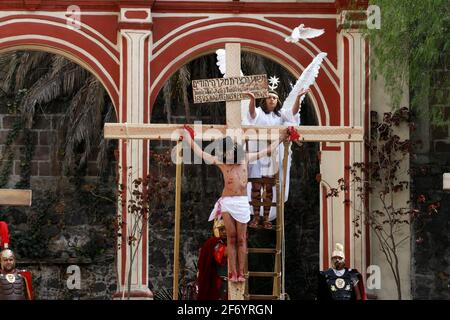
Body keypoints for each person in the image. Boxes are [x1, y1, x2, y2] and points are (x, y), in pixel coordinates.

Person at [181, 126, 289, 282]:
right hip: (227, 202)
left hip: (241, 202)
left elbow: (266, 151)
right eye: (225, 152)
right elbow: (201, 154)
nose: (228, 154)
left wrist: (281, 137)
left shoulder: (245, 159)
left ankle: (241, 272)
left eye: (230, 151)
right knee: (231, 238)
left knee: (241, 239)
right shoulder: (222, 163)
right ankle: (233, 273)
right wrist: (188, 138)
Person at [244, 88, 309, 229]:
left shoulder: (280, 115)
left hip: (272, 155)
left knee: (268, 187)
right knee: (255, 187)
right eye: (269, 97)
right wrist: (251, 99)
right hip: (258, 151)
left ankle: (266, 218)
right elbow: (252, 114)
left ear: (277, 100)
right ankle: (255, 217)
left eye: (274, 97)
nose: (272, 99)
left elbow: (293, 112)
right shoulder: (259, 112)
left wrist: (298, 98)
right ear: (265, 100)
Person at [0, 221, 33, 300]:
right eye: (5, 260)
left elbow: (29, 296)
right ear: (1, 261)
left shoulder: (24, 275)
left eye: (10, 259)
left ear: (14, 260)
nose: (8, 262)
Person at [196, 218, 228, 300]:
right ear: (216, 230)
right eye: (221, 229)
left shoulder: (229, 242)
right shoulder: (212, 243)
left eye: (226, 229)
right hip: (217, 281)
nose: (224, 232)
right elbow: (223, 254)